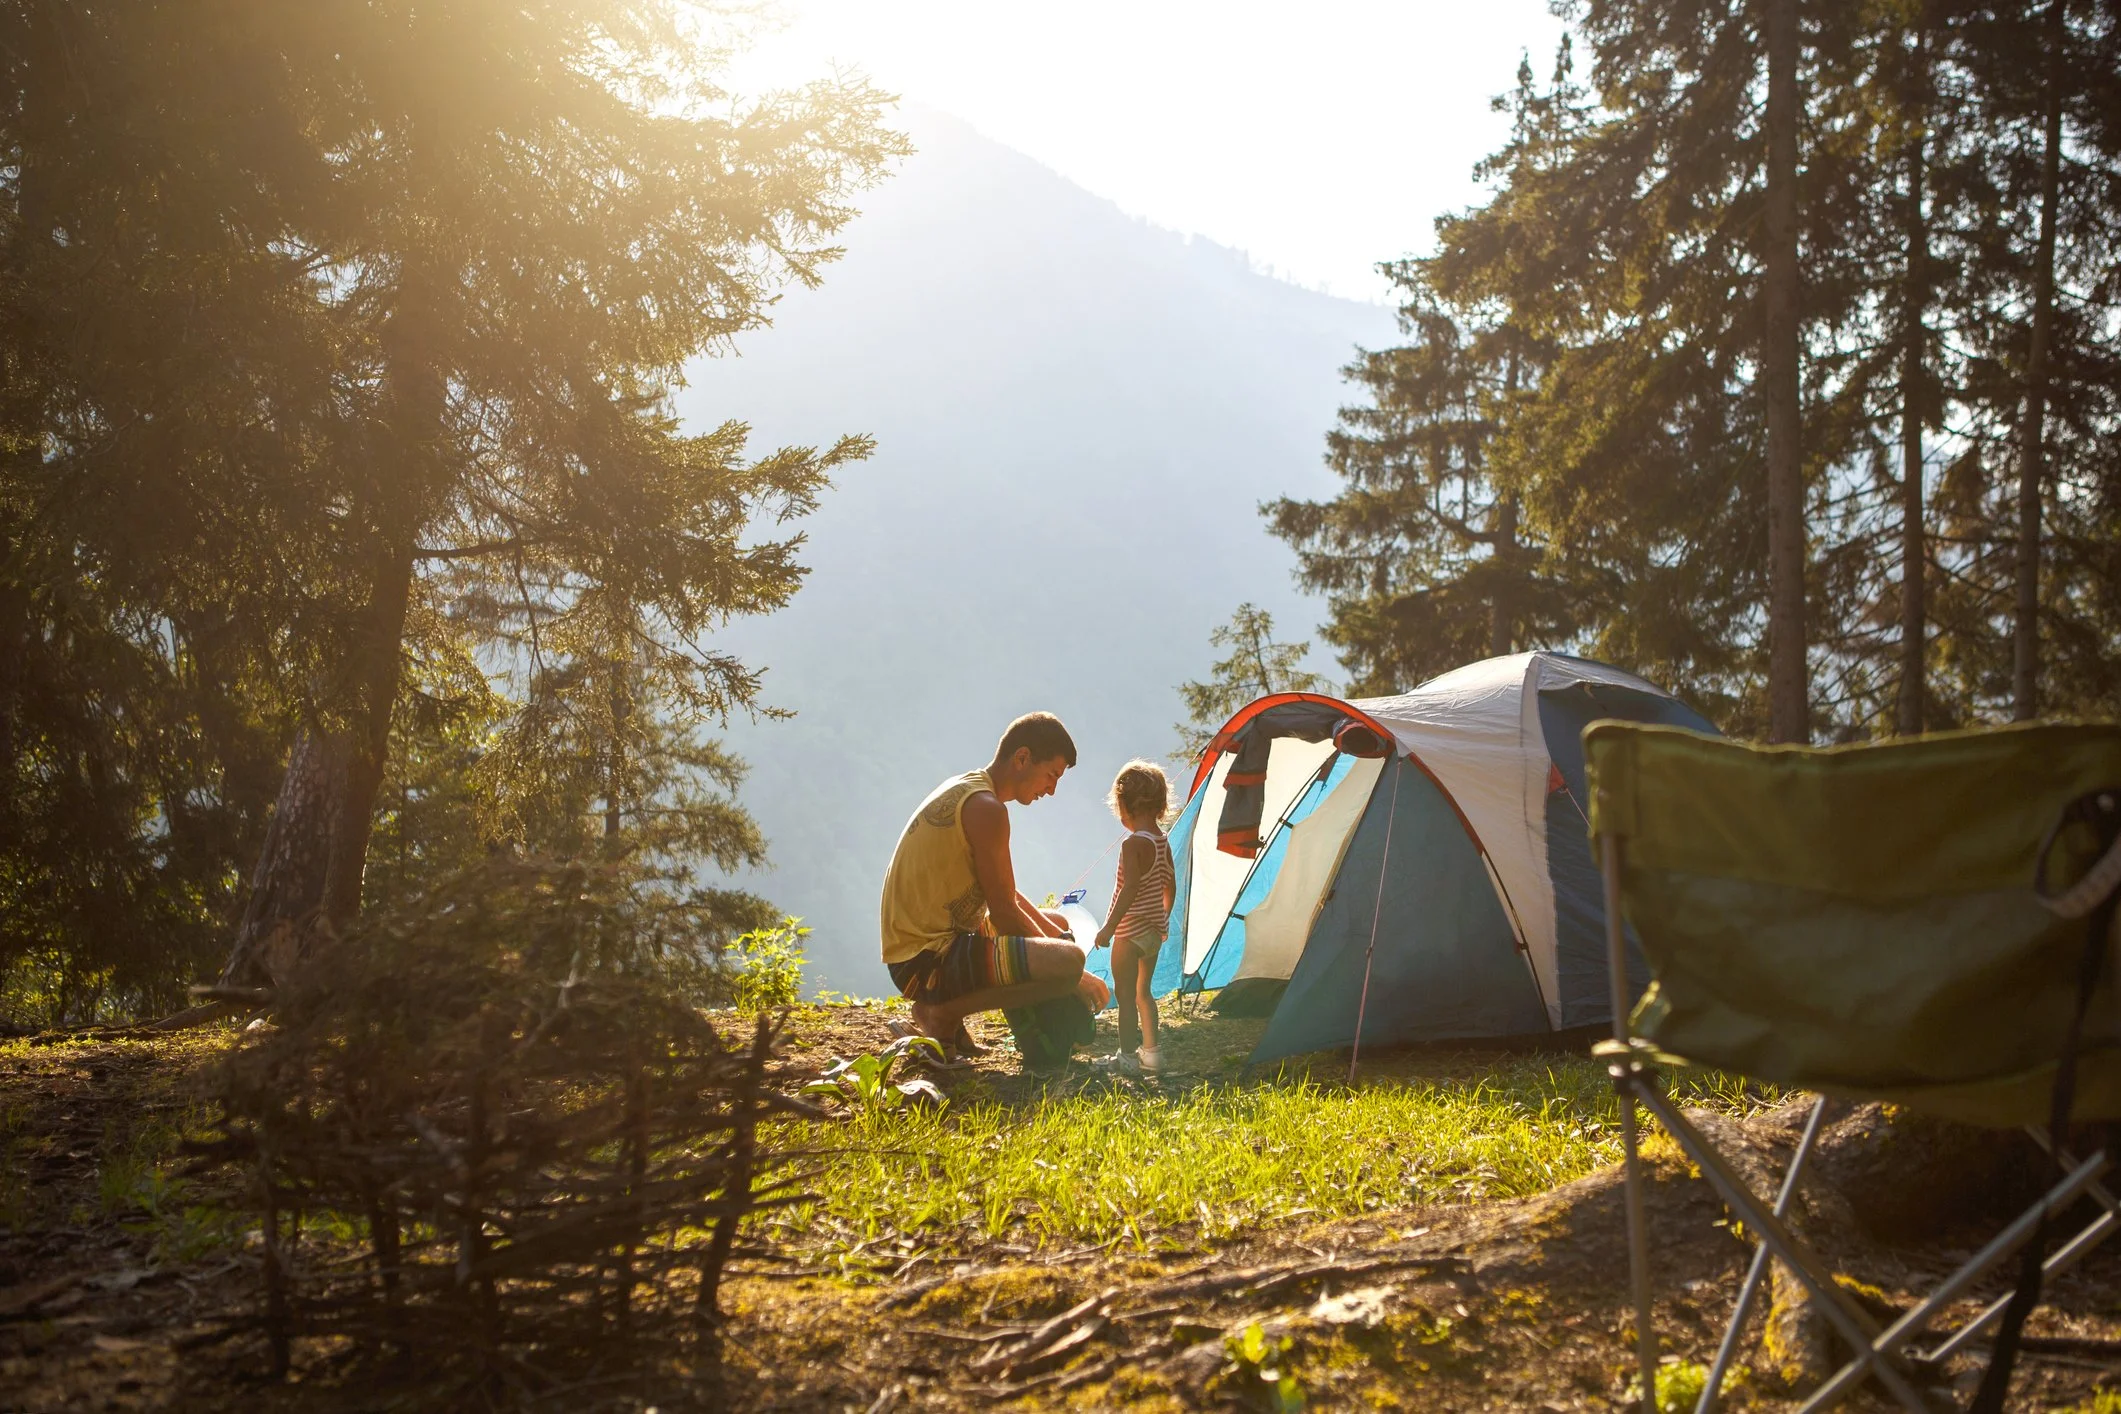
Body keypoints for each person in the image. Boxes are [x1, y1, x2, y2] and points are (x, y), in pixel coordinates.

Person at [880, 712, 1110, 1056]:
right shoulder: (986, 809)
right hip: (925, 963)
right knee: (1066, 965)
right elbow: (1004, 914)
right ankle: (941, 1014)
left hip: (922, 950)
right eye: (1051, 775)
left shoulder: (970, 790)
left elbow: (1005, 893)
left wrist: (1057, 937)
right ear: (1022, 758)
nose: (1051, 789)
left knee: (1059, 927)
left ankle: (953, 1019)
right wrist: (1076, 973)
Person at [1092, 760, 1176, 1076]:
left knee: (1124, 996)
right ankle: (1152, 1054)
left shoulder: (1134, 843)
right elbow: (1170, 883)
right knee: (1144, 993)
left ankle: (1127, 1057)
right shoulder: (1162, 840)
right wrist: (1162, 919)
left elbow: (1129, 889)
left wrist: (1109, 928)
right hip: (1153, 932)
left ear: (1126, 804)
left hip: (1129, 931)